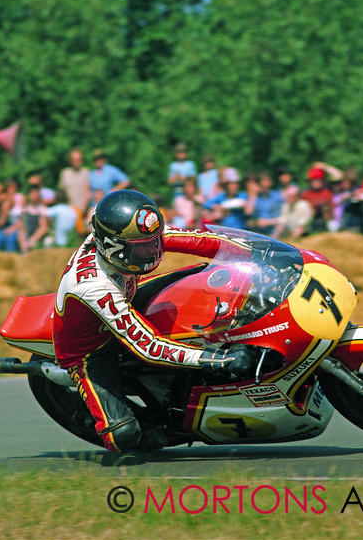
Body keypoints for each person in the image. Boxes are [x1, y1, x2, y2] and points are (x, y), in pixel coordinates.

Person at [53, 190, 255, 451]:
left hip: (127, 297)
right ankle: (96, 415)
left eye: (154, 240)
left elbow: (200, 240)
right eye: (143, 246)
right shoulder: (92, 286)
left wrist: (253, 252)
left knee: (205, 277)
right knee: (124, 437)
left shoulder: (132, 234)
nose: (153, 250)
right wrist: (216, 360)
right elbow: (148, 346)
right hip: (91, 350)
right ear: (113, 247)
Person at [58, 149, 92, 234]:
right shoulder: (65, 173)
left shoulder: (86, 172)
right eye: (74, 160)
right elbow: (61, 192)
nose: (76, 162)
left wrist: (83, 208)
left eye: (79, 159)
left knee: (83, 232)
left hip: (83, 208)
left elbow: (88, 191)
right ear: (70, 160)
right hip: (69, 208)